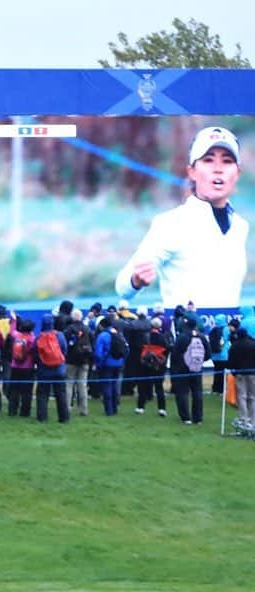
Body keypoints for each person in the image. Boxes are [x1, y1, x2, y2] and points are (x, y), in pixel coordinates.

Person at [115, 126, 248, 309]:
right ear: (192, 171)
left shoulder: (241, 227)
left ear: (237, 173)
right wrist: (136, 280)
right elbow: (122, 287)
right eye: (208, 160)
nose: (218, 169)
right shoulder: (171, 223)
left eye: (227, 161)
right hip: (185, 333)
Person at [170, 315, 211, 425]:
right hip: (197, 368)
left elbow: (174, 354)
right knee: (197, 392)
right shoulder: (202, 337)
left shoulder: (182, 337)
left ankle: (185, 417)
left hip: (182, 369)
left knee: (182, 392)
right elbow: (208, 354)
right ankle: (198, 418)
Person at [34, 313, 69, 423]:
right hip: (59, 370)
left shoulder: (39, 337)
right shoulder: (60, 335)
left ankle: (42, 418)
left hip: (44, 371)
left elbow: (36, 355)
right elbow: (64, 350)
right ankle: (64, 418)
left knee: (42, 395)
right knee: (61, 394)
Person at [136, 317, 171, 417]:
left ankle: (140, 407)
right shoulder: (162, 337)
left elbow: (139, 349)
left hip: (145, 365)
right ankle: (162, 409)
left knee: (142, 386)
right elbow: (167, 351)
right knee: (159, 387)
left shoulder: (144, 336)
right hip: (158, 366)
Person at [228, 326, 255, 430]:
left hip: (240, 374)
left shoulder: (235, 346)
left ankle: (243, 419)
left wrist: (233, 372)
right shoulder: (253, 344)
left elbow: (230, 362)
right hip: (253, 373)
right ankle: (253, 420)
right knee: (253, 397)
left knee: (242, 396)